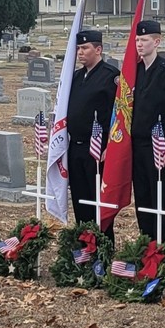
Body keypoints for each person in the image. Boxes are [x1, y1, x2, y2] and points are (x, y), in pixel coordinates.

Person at [131, 20, 165, 243]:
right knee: (142, 199)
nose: (139, 44)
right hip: (137, 145)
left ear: (157, 41)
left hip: (158, 147)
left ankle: (163, 249)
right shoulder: (136, 70)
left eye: (144, 40)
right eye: (137, 40)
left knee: (159, 200)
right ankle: (146, 244)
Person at [67, 29, 120, 235]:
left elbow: (118, 115)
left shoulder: (111, 77)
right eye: (78, 48)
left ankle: (102, 248)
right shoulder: (76, 77)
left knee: (99, 202)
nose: (80, 52)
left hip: (98, 150)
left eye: (85, 48)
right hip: (76, 147)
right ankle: (84, 245)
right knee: (81, 201)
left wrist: (110, 145)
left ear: (98, 49)